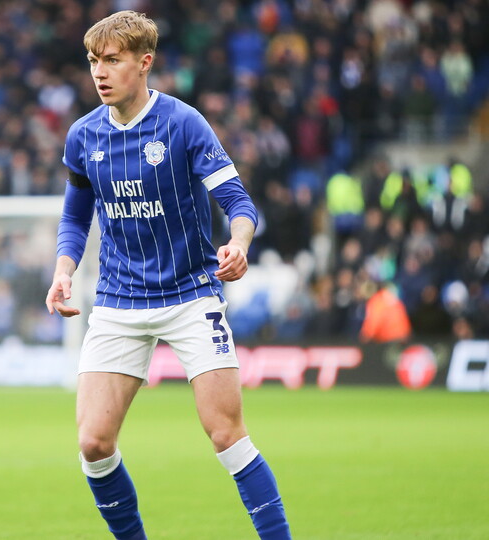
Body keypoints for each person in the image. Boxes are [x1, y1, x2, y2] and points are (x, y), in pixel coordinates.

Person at [44, 11, 291, 539]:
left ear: (145, 63)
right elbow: (74, 216)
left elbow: (237, 201)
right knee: (93, 444)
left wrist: (239, 244)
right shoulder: (84, 137)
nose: (100, 73)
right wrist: (64, 270)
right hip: (118, 299)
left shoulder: (182, 124)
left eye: (112, 61)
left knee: (226, 435)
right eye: (93, 62)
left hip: (190, 294)